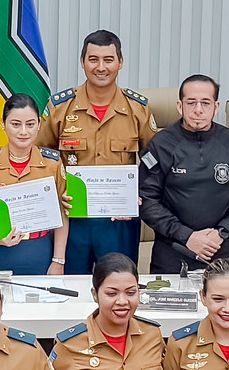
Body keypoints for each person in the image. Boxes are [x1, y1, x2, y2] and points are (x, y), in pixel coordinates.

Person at [44, 31, 153, 274]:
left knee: (118, 286)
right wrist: (54, 194)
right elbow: (41, 158)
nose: (101, 67)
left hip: (119, 221)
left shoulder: (138, 109)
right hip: (71, 220)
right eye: (93, 59)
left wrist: (140, 196)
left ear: (120, 63)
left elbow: (154, 163)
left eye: (108, 59)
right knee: (70, 288)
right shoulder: (60, 107)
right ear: (83, 62)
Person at [140, 76, 229, 275]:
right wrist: (186, 236)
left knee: (222, 304)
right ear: (180, 106)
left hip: (219, 250)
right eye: (191, 102)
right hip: (172, 252)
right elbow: (147, 200)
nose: (198, 110)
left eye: (205, 103)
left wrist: (221, 232)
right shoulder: (160, 144)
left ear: (216, 107)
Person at [0, 96, 68, 276]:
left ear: (39, 124)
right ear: (3, 124)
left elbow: (62, 213)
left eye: (30, 124)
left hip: (40, 251)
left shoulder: (52, 163)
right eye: (16, 124)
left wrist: (58, 261)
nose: (23, 131)